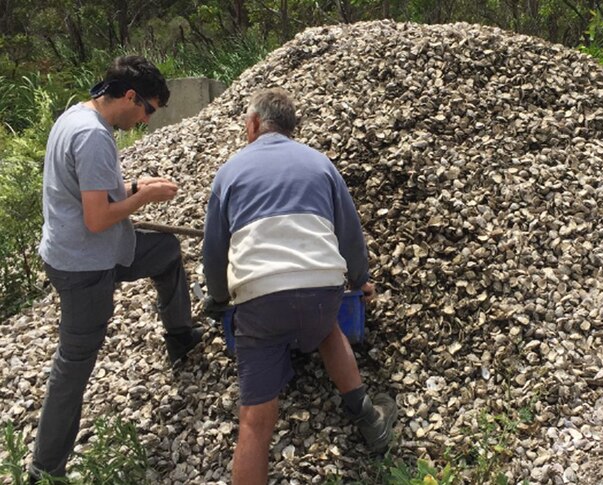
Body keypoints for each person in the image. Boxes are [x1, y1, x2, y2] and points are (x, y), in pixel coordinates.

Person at [202, 87, 397, 484]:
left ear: (255, 124)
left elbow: (214, 249)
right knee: (328, 328)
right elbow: (350, 234)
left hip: (260, 301)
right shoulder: (321, 164)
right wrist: (361, 281)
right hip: (322, 292)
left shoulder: (230, 172)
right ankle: (367, 416)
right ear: (293, 128)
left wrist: (219, 299)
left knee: (255, 421)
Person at [30, 55, 203, 481]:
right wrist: (144, 199)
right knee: (74, 364)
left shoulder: (76, 116)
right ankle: (44, 470)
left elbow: (94, 193)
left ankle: (180, 336)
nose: (145, 121)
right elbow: (96, 218)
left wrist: (135, 186)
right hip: (85, 265)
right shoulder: (92, 136)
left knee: (164, 251)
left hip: (97, 248)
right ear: (130, 96)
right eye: (147, 110)